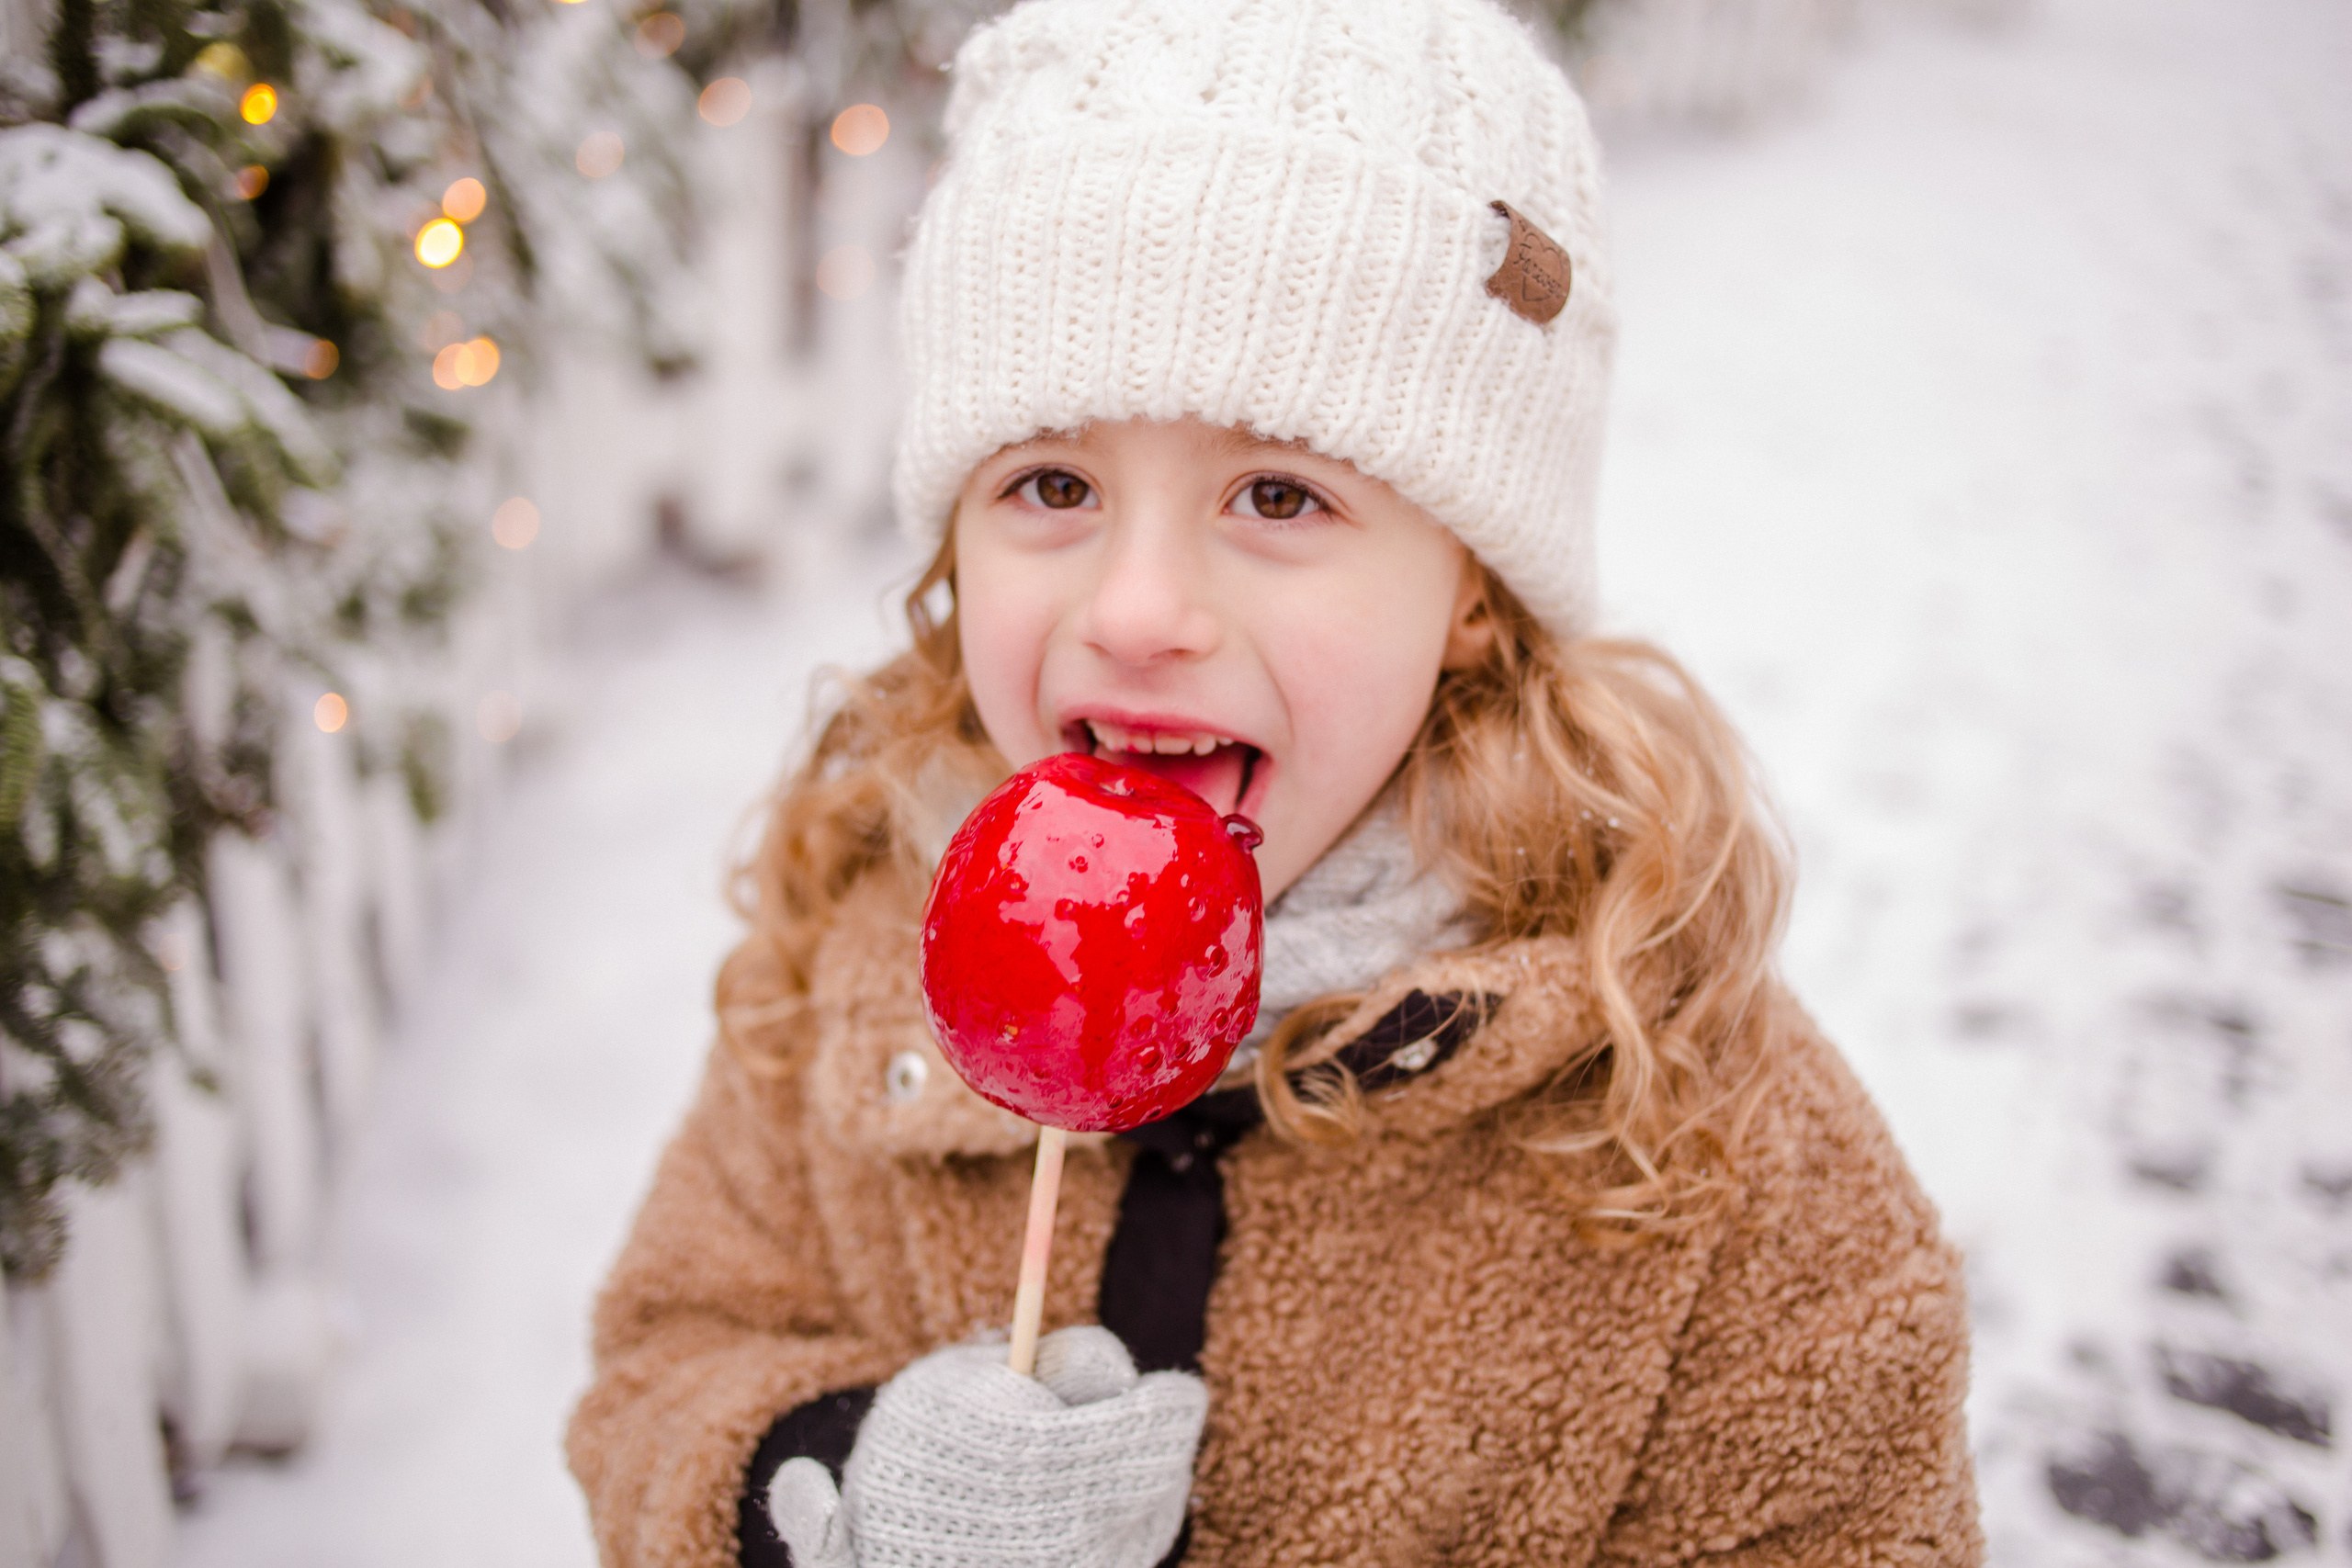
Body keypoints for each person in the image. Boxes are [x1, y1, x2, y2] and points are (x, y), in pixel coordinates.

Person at [566, 0, 1984, 1562]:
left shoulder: (1716, 1147)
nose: (1135, 611)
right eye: (1053, 484)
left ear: (1471, 595)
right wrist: (834, 1483)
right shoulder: (847, 962)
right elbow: (665, 1362)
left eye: (1278, 493)